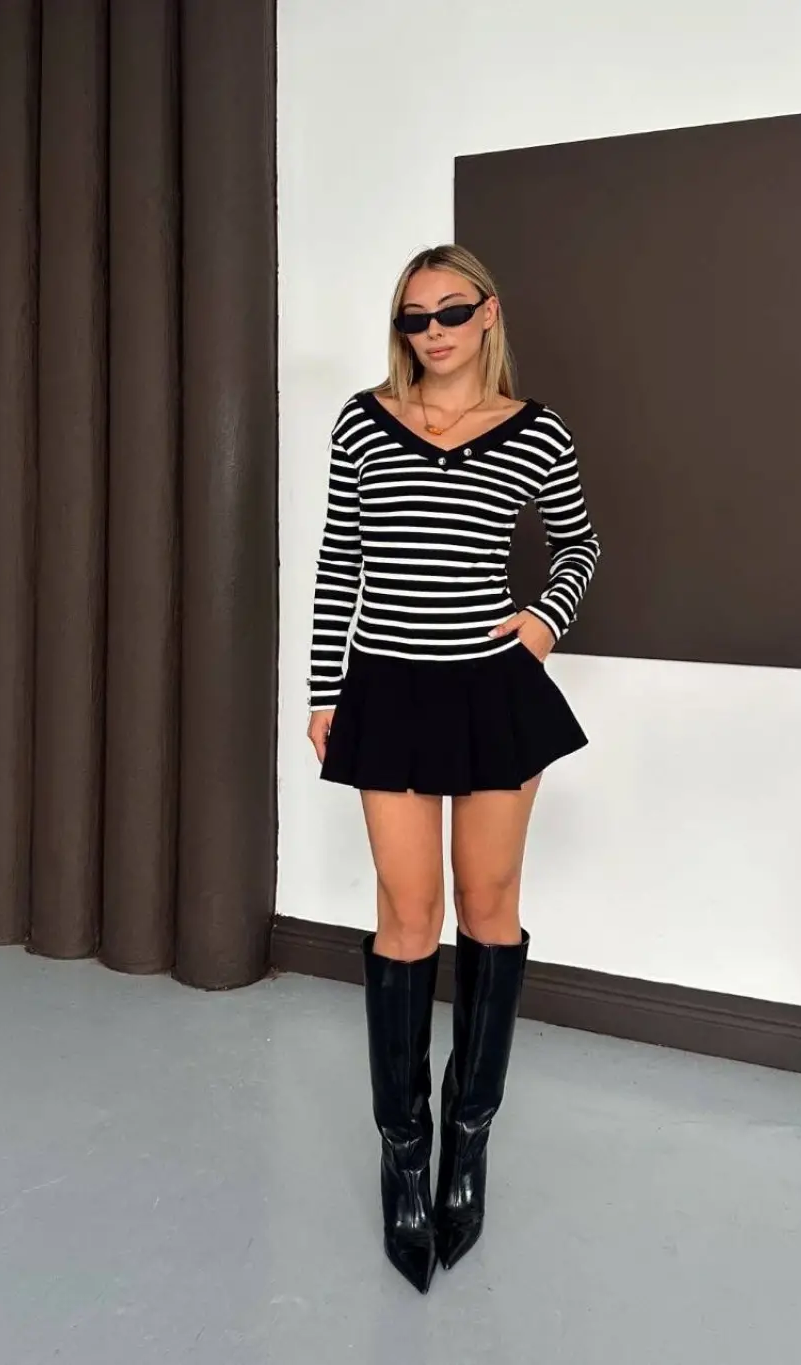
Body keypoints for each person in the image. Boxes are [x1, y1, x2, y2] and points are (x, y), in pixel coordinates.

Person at [306, 244, 601, 1293]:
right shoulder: (361, 422)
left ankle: (467, 1143)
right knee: (404, 913)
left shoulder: (536, 430)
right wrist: (324, 692)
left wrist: (541, 624)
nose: (430, 332)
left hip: (490, 693)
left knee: (488, 907)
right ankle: (404, 1149)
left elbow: (578, 546)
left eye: (449, 312)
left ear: (487, 314)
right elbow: (340, 560)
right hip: (385, 689)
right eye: (413, 317)